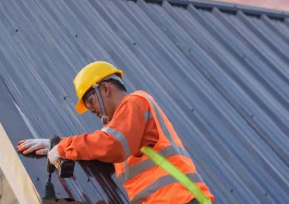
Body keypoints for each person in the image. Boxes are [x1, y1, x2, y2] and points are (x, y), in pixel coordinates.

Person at [17, 61, 215, 204]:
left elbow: (110, 144)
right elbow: (99, 147)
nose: (91, 110)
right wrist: (57, 144)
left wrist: (63, 147)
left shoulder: (136, 102)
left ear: (105, 88)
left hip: (180, 199)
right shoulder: (125, 131)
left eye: (90, 101)